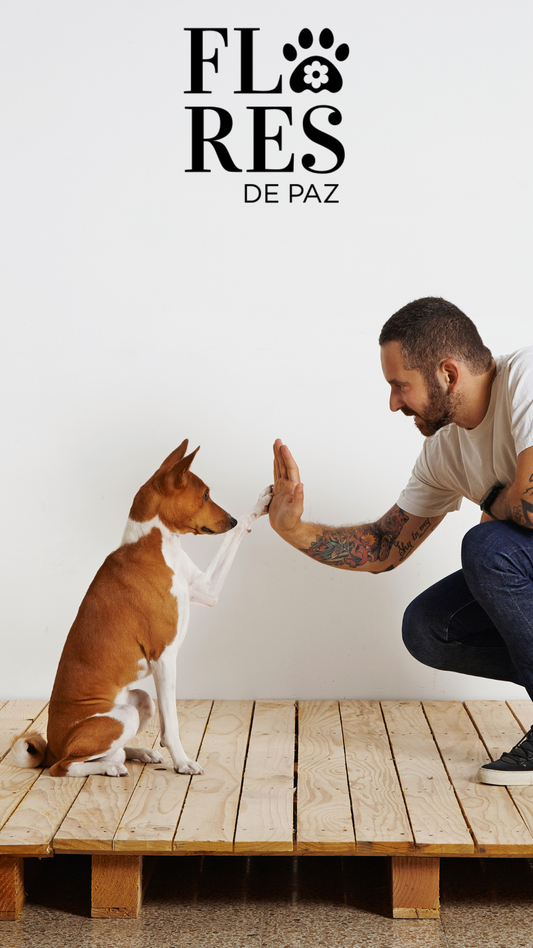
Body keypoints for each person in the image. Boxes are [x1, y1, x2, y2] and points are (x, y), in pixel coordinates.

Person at [269, 296, 533, 786]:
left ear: (448, 374)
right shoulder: (445, 452)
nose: (393, 403)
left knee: (489, 548)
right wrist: (293, 529)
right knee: (429, 627)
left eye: (399, 385)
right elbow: (385, 547)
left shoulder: (526, 378)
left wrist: (493, 503)